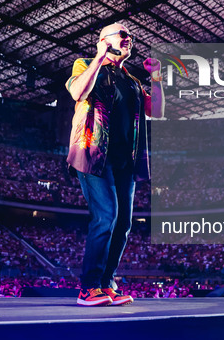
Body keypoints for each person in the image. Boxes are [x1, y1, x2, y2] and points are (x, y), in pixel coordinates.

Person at [65, 22, 164, 306]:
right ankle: (88, 288)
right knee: (106, 216)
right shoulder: (84, 64)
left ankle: (107, 284)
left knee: (123, 223)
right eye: (123, 35)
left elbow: (155, 111)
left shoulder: (131, 80)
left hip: (125, 161)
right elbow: (77, 93)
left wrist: (155, 78)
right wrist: (98, 57)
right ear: (104, 41)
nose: (129, 40)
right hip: (94, 154)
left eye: (131, 37)